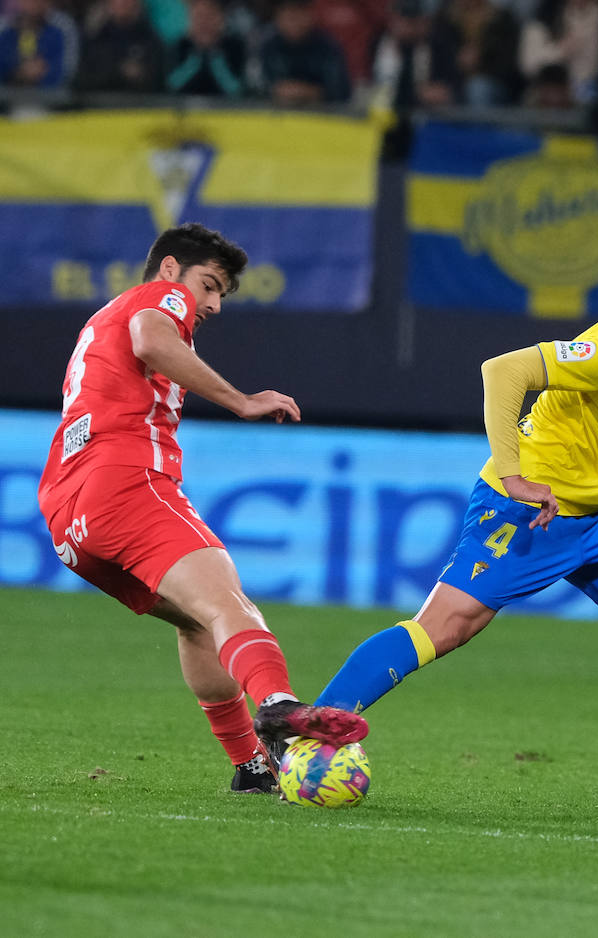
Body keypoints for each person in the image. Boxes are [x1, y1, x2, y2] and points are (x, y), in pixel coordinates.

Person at [313, 262, 598, 820]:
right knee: (445, 628)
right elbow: (501, 371)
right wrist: (512, 474)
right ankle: (307, 727)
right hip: (527, 508)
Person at [36, 223, 368, 794]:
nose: (211, 304)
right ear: (170, 269)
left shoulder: (99, 320)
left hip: (68, 513)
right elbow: (150, 337)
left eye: (220, 295)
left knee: (197, 621)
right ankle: (279, 706)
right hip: (126, 479)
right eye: (208, 285)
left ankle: (252, 766)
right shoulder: (155, 300)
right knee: (230, 605)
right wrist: (241, 400)